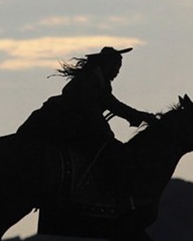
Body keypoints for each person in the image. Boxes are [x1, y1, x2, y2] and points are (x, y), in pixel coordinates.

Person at [17, 46, 156, 166]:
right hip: (65, 122)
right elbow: (92, 109)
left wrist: (142, 116)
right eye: (116, 68)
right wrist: (105, 130)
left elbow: (114, 105)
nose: (117, 72)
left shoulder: (99, 81)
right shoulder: (92, 80)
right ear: (108, 65)